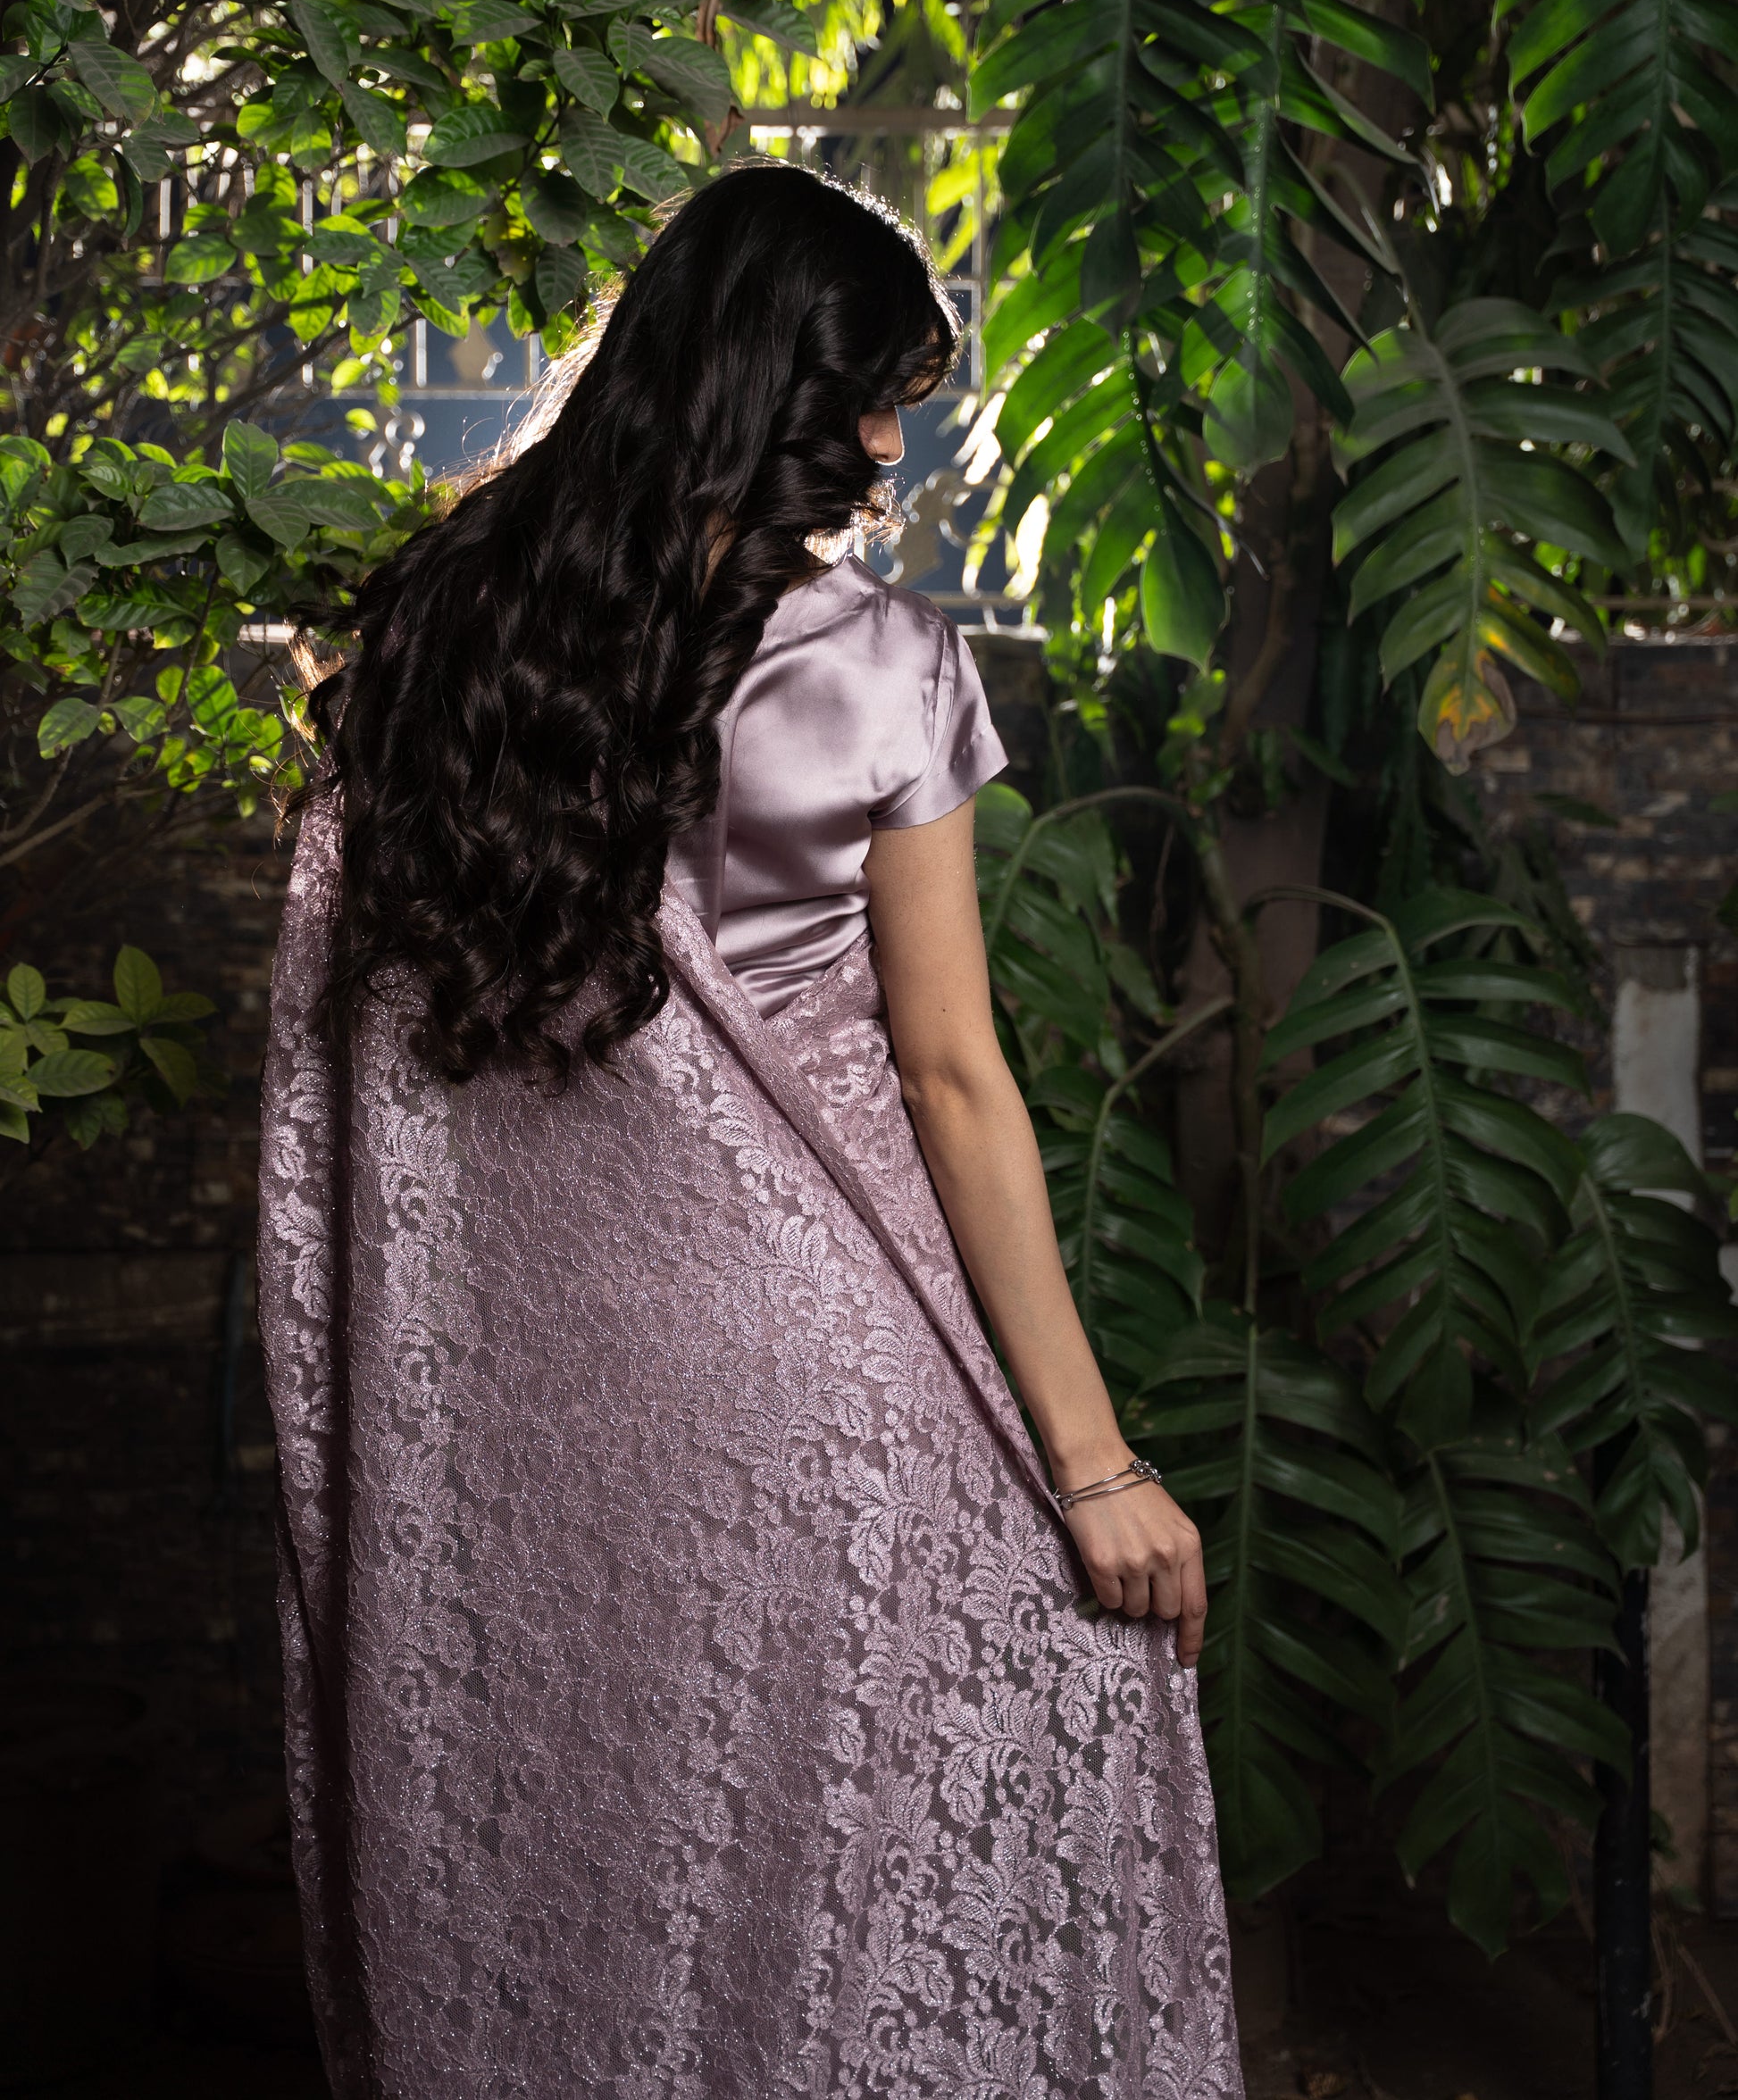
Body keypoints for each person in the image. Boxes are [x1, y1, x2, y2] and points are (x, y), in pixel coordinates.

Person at [258, 162, 1242, 2099]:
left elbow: (363, 1062)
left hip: (526, 1403)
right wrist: (1097, 1464)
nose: (884, 448)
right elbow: (950, 1074)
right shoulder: (884, 662)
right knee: (892, 1838)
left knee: (610, 1858)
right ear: (775, 392)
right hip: (819, 1370)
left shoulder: (433, 645)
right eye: (870, 400)